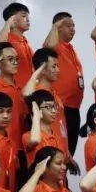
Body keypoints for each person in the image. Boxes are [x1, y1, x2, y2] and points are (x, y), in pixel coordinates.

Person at [42, 12, 85, 156]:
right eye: (67, 25)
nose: (72, 29)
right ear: (58, 27)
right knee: (59, 151)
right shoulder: (55, 47)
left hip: (74, 108)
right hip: (60, 108)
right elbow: (48, 47)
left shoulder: (70, 48)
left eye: (73, 26)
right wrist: (55, 26)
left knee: (69, 151)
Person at [21, 48, 69, 152]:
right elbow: (25, 94)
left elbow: (61, 125)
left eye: (58, 66)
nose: (58, 70)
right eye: (54, 66)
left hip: (61, 151)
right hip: (46, 150)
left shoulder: (55, 95)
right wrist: (37, 72)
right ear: (42, 69)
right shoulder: (36, 93)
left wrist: (67, 152)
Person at [23, 89, 71, 160]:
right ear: (35, 110)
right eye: (48, 107)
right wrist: (36, 115)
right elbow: (35, 140)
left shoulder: (58, 136)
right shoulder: (27, 136)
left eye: (54, 106)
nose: (54, 111)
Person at [0, 2, 32, 90]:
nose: (28, 19)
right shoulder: (8, 41)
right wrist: (8, 24)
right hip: (14, 89)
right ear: (12, 19)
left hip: (28, 89)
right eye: (24, 16)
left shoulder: (25, 42)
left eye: (28, 17)